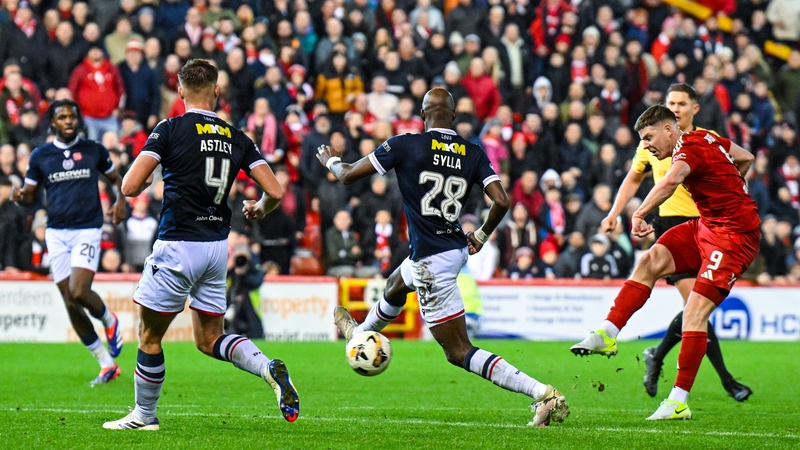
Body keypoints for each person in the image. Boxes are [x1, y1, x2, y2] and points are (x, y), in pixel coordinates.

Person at [316, 88, 569, 427]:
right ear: (453, 116)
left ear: (422, 115)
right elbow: (502, 201)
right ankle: (359, 334)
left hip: (431, 259)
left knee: (458, 351)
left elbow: (346, 175)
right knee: (396, 284)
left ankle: (542, 394)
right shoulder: (473, 151)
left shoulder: (404, 144)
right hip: (453, 247)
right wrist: (481, 235)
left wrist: (330, 160)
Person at [102, 60, 298, 431]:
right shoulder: (236, 136)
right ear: (217, 91)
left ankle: (144, 416)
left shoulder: (170, 128)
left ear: (180, 92)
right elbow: (275, 191)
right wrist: (259, 208)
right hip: (216, 248)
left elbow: (129, 186)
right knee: (210, 338)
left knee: (149, 336)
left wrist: (150, 180)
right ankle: (266, 367)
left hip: (178, 243)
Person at [571, 105, 759, 420]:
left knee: (694, 312)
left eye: (649, 137)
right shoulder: (707, 138)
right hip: (707, 226)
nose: (646, 145)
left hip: (733, 237)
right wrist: (729, 188)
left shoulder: (688, 149)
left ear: (669, 129)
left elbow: (671, 181)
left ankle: (678, 402)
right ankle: (607, 333)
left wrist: (639, 212)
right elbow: (746, 158)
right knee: (650, 260)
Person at [10, 99, 126, 385]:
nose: (68, 121)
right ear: (53, 122)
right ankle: (106, 364)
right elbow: (30, 195)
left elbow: (116, 179)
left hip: (87, 229)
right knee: (69, 302)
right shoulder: (41, 155)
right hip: (56, 233)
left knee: (79, 290)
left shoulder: (94, 149)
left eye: (72, 116)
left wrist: (120, 201)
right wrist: (21, 196)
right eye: (62, 117)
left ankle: (109, 320)